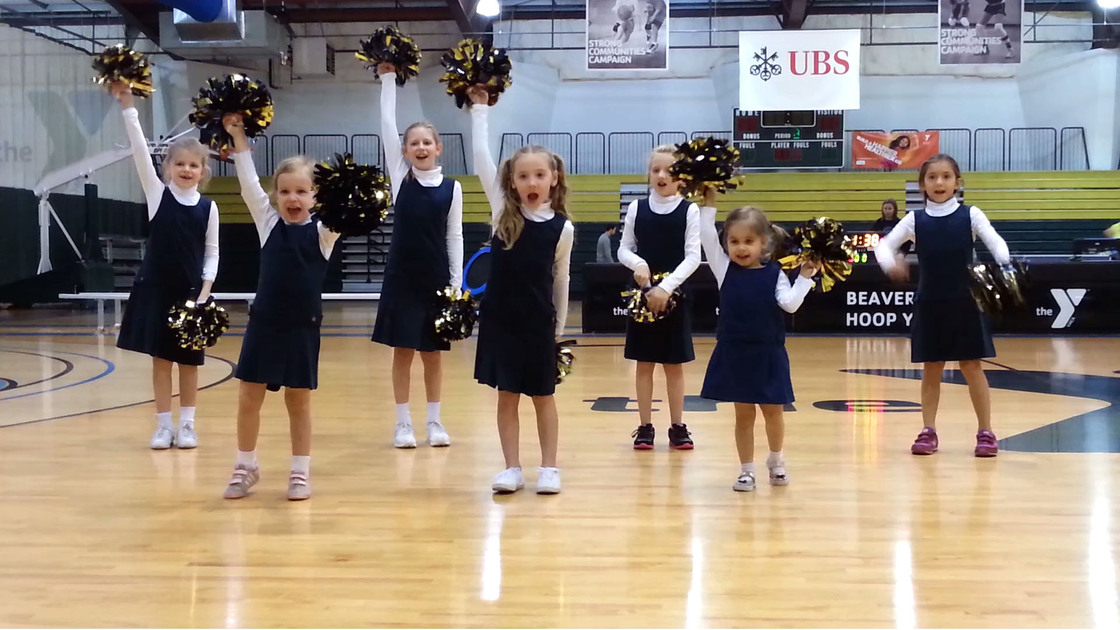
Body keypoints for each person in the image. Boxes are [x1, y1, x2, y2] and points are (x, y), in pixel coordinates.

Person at [221, 113, 341, 500]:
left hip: (303, 326)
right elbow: (247, 184)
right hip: (264, 324)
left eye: (302, 191)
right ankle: (246, 464)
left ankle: (300, 472)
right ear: (275, 196)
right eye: (285, 191)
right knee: (248, 396)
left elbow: (348, 206)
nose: (293, 198)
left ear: (315, 197)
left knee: (298, 401)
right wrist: (238, 136)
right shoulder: (267, 223)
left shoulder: (325, 233)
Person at [469, 86, 575, 495]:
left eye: (539, 175)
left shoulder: (562, 228)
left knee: (543, 397)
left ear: (553, 178)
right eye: (523, 175)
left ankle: (550, 467)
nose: (532, 181)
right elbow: (481, 157)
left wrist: (558, 329)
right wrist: (480, 107)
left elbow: (561, 281)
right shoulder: (502, 215)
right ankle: (511, 467)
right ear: (512, 182)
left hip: (537, 324)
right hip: (501, 322)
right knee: (507, 396)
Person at [875, 153, 1011, 458]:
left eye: (946, 176)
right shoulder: (914, 220)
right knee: (931, 368)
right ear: (923, 184)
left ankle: (986, 431)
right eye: (932, 177)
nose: (939, 182)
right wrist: (891, 265)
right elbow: (883, 248)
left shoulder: (971, 215)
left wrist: (1005, 263)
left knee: (972, 366)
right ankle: (928, 430)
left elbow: (996, 242)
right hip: (931, 303)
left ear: (957, 182)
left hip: (965, 302)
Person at [111, 81, 219, 451]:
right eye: (180, 164)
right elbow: (140, 150)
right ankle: (162, 426)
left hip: (192, 295)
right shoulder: (158, 196)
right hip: (156, 290)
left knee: (190, 363)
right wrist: (128, 106)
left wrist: (204, 292)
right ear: (168, 167)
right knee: (161, 362)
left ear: (203, 171)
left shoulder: (209, 208)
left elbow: (212, 252)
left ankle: (187, 425)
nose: (186, 169)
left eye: (194, 165)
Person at [698, 192, 818, 492]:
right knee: (743, 415)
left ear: (763, 243)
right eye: (734, 241)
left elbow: (789, 305)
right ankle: (746, 470)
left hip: (768, 354)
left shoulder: (775, 274)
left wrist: (804, 277)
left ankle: (776, 460)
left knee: (773, 412)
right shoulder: (723, 268)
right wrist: (709, 202)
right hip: (736, 353)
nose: (740, 247)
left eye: (748, 241)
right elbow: (705, 234)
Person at [372, 62, 463, 449]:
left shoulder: (452, 188)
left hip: (435, 281)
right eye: (414, 143)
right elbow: (386, 122)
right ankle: (402, 423)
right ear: (405, 150)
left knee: (433, 356)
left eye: (428, 142)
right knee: (403, 353)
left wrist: (456, 286)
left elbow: (454, 236)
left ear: (438, 147)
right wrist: (388, 78)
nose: (421, 147)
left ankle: (435, 422)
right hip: (401, 279)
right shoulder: (400, 178)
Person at [619, 145, 701, 451]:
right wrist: (638, 264)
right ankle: (644, 427)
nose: (662, 175)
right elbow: (624, 248)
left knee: (674, 365)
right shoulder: (637, 208)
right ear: (649, 174)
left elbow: (693, 257)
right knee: (644, 363)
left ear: (682, 178)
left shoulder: (689, 210)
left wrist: (667, 288)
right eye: (656, 170)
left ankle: (678, 427)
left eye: (670, 170)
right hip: (642, 295)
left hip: (675, 295)